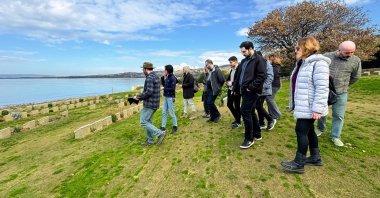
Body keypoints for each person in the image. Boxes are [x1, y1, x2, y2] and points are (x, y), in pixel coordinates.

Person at [280, 37, 330, 173]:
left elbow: (322, 88)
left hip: (311, 106)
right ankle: (315, 157)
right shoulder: (302, 63)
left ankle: (299, 163)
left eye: (298, 48)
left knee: (301, 130)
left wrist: (317, 109)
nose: (295, 51)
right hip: (304, 105)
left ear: (306, 47)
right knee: (309, 131)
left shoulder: (319, 63)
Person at [316, 41, 362, 146]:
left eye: (352, 52)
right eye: (347, 52)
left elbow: (356, 76)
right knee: (322, 112)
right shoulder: (326, 56)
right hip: (324, 91)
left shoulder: (356, 60)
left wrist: (345, 85)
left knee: (339, 115)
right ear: (339, 50)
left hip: (341, 92)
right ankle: (320, 128)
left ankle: (335, 136)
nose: (350, 54)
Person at [233, 41, 266, 149]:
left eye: (244, 51)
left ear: (250, 48)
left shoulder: (259, 59)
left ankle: (249, 138)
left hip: (252, 91)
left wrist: (250, 87)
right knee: (251, 112)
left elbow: (261, 76)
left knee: (245, 111)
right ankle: (257, 134)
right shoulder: (244, 61)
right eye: (241, 51)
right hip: (244, 91)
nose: (242, 53)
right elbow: (239, 76)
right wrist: (235, 88)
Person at [134, 62, 166, 146]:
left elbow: (149, 92)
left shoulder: (149, 78)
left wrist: (138, 97)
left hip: (149, 104)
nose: (142, 71)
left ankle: (160, 133)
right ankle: (150, 140)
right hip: (155, 103)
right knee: (148, 122)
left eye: (143, 69)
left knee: (143, 122)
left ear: (145, 69)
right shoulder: (155, 76)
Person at [255, 51, 276, 131]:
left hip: (264, 90)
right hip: (257, 90)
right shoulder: (258, 64)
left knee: (258, 106)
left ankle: (270, 119)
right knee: (258, 106)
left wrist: (263, 87)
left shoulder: (266, 63)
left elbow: (270, 77)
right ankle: (262, 123)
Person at [161, 65, 178, 134]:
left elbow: (172, 89)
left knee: (171, 113)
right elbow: (164, 84)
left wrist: (164, 88)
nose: (164, 71)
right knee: (164, 112)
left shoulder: (172, 78)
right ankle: (163, 126)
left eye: (165, 70)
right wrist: (162, 77)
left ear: (167, 70)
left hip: (170, 97)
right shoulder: (167, 77)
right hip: (166, 96)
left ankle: (175, 126)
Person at [226, 56, 241, 129]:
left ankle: (238, 122)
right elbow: (229, 78)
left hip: (236, 90)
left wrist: (232, 83)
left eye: (231, 62)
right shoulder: (232, 69)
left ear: (235, 61)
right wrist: (227, 82)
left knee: (237, 106)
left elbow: (239, 80)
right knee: (229, 104)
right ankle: (237, 118)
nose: (230, 64)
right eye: (230, 62)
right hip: (230, 89)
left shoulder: (239, 69)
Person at [267, 54, 283, 120]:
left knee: (270, 99)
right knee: (268, 99)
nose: (269, 60)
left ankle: (278, 114)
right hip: (273, 85)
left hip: (275, 85)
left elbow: (274, 75)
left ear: (273, 59)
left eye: (270, 59)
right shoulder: (274, 66)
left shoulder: (275, 66)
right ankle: (272, 114)